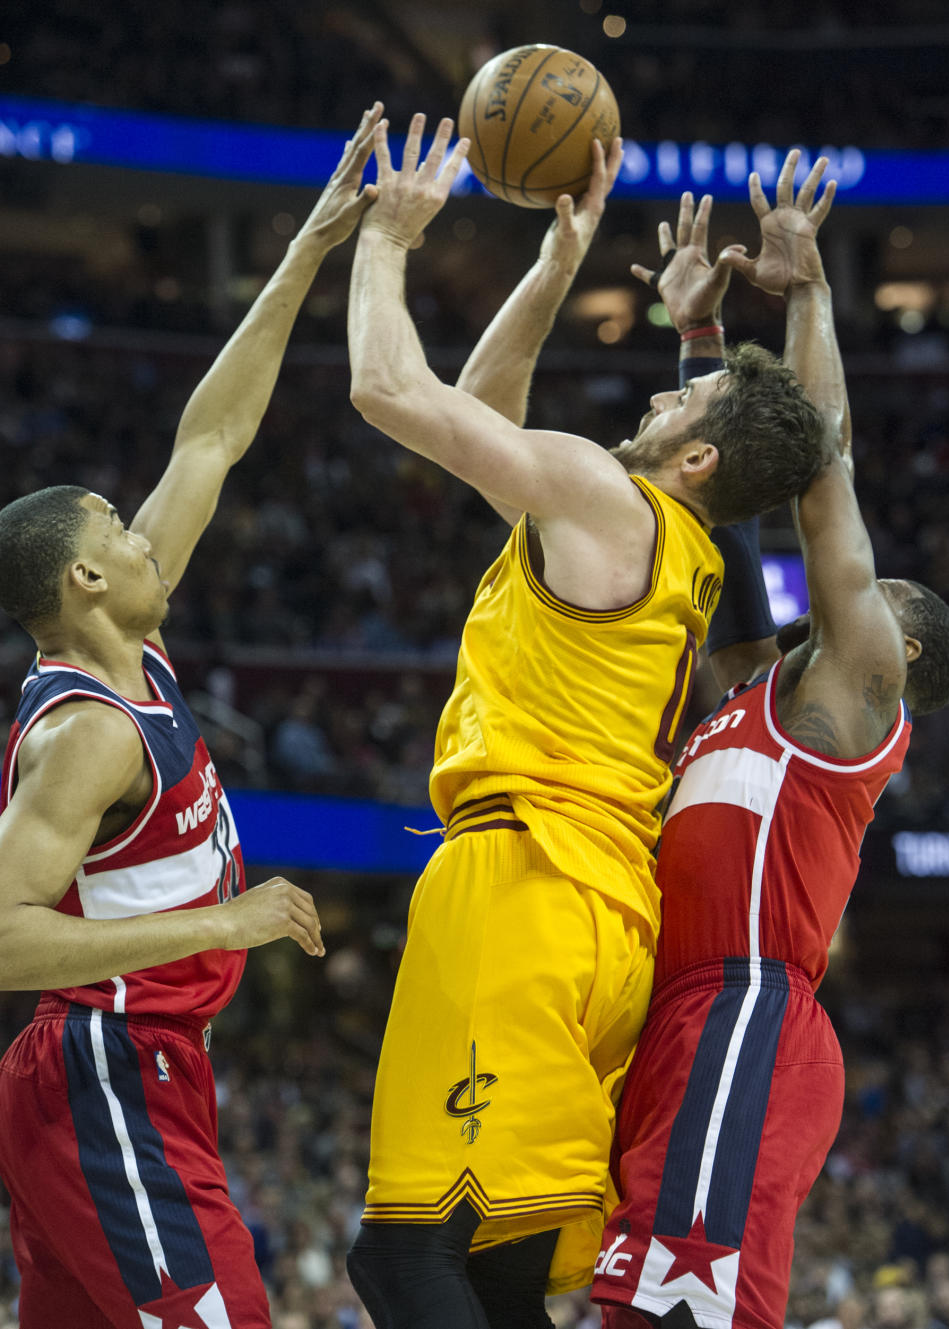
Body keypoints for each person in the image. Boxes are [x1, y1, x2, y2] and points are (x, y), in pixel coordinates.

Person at [343, 114, 825, 1329]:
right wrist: (555, 267)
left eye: (687, 384)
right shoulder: (693, 562)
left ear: (699, 455)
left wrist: (388, 235)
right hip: (608, 915)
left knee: (404, 1256)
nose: (667, 381)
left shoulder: (610, 501)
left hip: (523, 884)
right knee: (501, 1274)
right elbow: (487, 415)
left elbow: (391, 390)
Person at [0, 104, 384, 1329]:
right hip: (103, 1079)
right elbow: (1, 940)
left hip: (145, 1080)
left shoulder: (139, 650)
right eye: (115, 525)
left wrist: (310, 247)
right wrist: (227, 918)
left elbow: (213, 433)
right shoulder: (91, 733)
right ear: (83, 580)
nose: (139, 527)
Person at [590, 152, 949, 1329]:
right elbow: (733, 519)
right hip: (683, 1019)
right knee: (629, 1304)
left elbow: (820, 472)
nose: (849, 605)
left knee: (683, 1313)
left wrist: (808, 300)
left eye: (873, 603)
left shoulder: (849, 707)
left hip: (749, 1013)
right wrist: (696, 347)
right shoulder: (757, 687)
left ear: (898, 667)